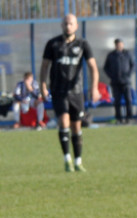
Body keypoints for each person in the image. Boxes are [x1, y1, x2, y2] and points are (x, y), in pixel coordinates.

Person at [40, 13, 99, 173]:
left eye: (71, 23)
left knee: (76, 126)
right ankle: (67, 159)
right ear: (62, 25)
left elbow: (93, 67)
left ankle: (78, 161)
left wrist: (94, 88)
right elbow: (44, 66)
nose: (68, 26)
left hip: (77, 91)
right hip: (59, 90)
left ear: (76, 26)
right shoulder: (53, 44)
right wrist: (43, 86)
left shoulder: (83, 44)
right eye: (65, 23)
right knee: (64, 121)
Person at [104, 38, 136, 124]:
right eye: (117, 44)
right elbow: (106, 67)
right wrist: (112, 76)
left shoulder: (127, 54)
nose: (119, 46)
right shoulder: (111, 55)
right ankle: (119, 118)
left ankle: (129, 118)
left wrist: (128, 74)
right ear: (115, 45)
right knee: (117, 101)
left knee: (128, 100)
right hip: (115, 82)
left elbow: (133, 65)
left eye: (120, 44)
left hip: (126, 82)